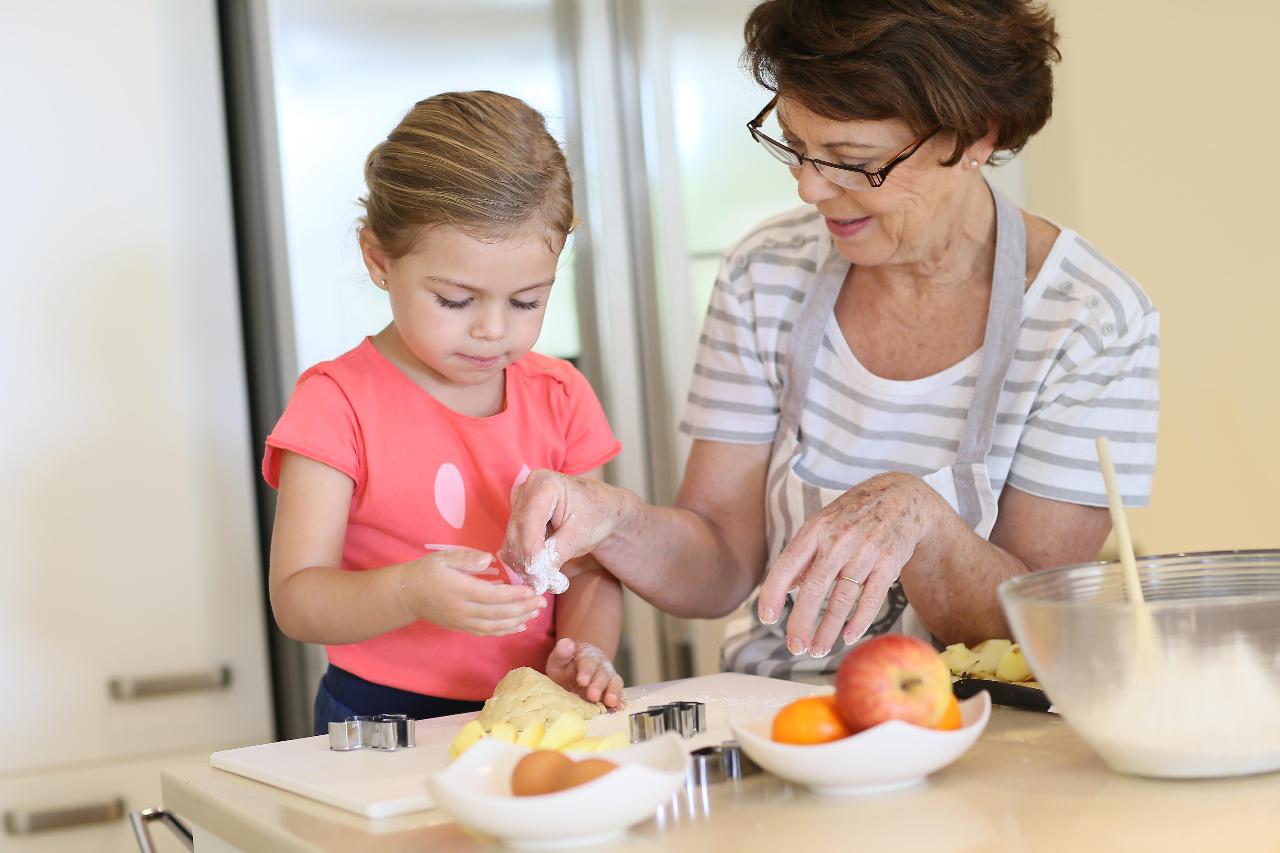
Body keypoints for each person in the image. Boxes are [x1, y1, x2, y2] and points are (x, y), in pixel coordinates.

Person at [503, 0, 1158, 681]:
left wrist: (921, 523)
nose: (812, 188)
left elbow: (1033, 625)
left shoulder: (1091, 319)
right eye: (795, 144)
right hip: (787, 713)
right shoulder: (765, 272)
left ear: (974, 138)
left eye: (853, 161)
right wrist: (611, 519)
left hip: (992, 728)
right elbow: (723, 565)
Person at [263, 91, 625, 733]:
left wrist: (585, 651)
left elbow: (592, 568)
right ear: (379, 259)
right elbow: (298, 598)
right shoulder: (336, 402)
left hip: (536, 707)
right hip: (379, 717)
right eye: (456, 300)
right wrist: (411, 592)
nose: (493, 330)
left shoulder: (562, 395)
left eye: (526, 301)